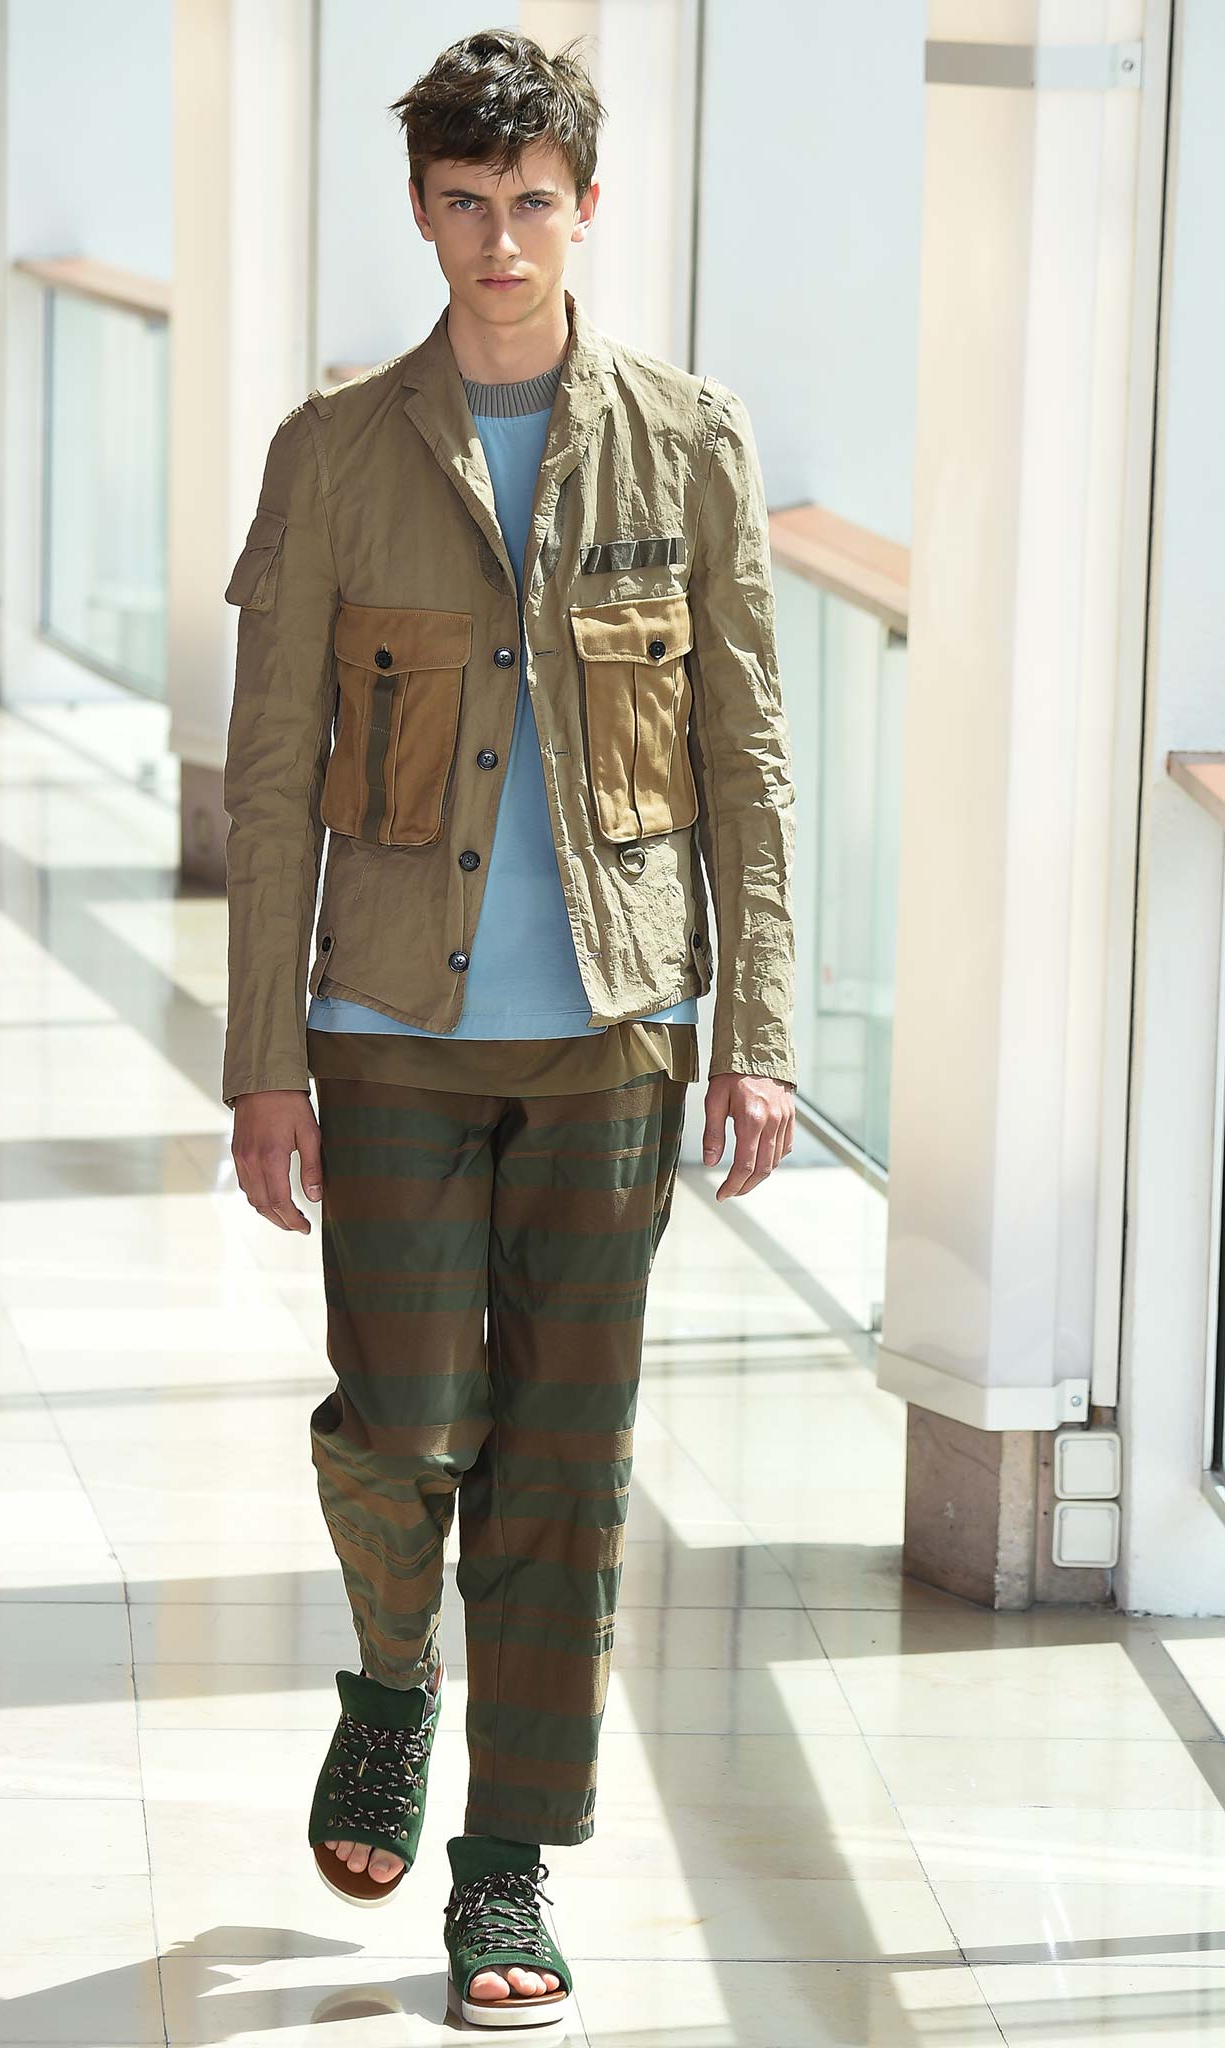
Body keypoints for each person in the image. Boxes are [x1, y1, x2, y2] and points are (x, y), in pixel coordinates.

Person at [220, 25, 797, 2033]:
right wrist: (262, 1060)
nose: (497, 241)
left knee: (562, 1460)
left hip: (614, 1036)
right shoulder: (330, 455)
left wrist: (756, 1027)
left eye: (529, 203)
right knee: (404, 1424)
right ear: (419, 210)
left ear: (585, 206)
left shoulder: (688, 447)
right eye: (463, 204)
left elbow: (745, 763)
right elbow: (268, 778)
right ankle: (390, 1684)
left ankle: (503, 1862)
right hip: (384, 1024)